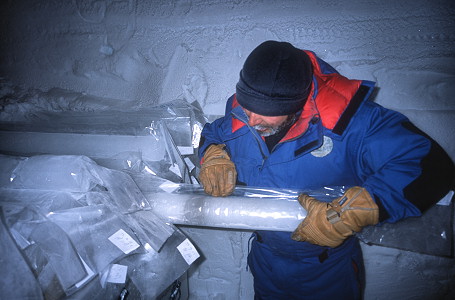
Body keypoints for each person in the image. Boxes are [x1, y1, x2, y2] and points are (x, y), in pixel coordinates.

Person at [197, 40, 454, 299]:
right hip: (266, 264)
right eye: (247, 106)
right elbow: (214, 133)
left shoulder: (354, 123)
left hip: (326, 270)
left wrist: (357, 210)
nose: (251, 120)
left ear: (296, 104)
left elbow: (431, 167)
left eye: (266, 112)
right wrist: (212, 154)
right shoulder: (242, 112)